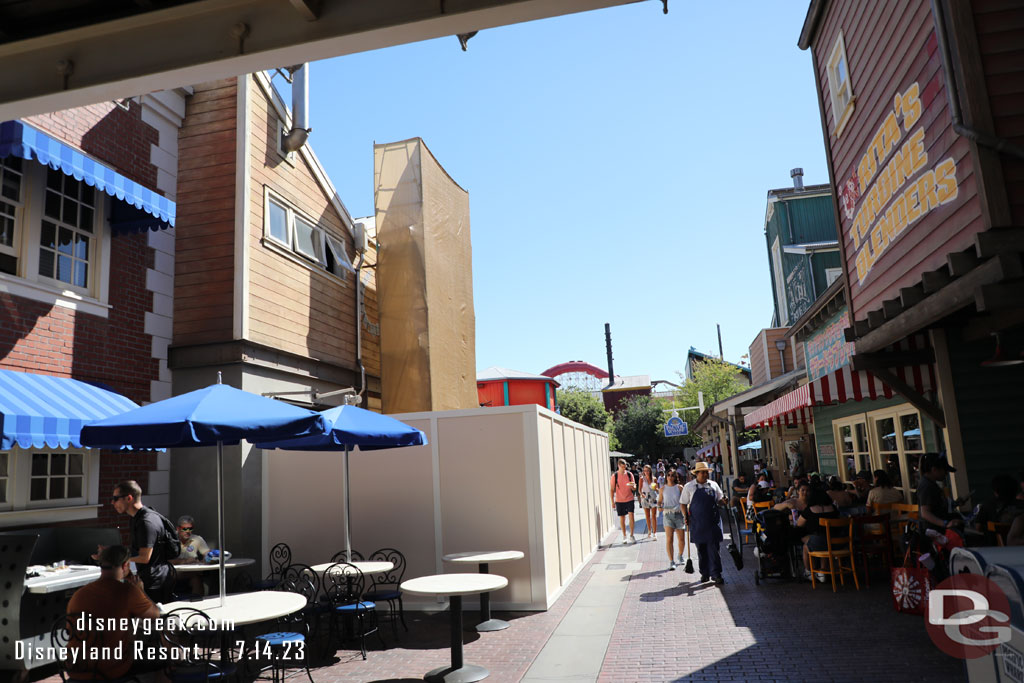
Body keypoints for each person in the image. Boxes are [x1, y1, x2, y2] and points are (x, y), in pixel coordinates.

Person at [66, 545, 162, 680]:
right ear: (125, 565)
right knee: (164, 658)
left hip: (76, 666)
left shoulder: (79, 594)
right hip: (110, 668)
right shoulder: (128, 591)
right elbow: (155, 615)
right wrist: (140, 590)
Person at [96, 480, 174, 602]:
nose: (112, 502)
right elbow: (137, 551)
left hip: (154, 583)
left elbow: (144, 557)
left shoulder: (146, 521)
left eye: (116, 498)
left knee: (152, 620)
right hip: (147, 579)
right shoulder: (136, 518)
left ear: (129, 498)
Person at [681, 461, 727, 585]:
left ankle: (716, 574)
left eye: (707, 472)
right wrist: (685, 516)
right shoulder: (689, 487)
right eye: (703, 472)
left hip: (712, 522)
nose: (706, 474)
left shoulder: (713, 485)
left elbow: (719, 501)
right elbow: (683, 503)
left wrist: (724, 502)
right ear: (697, 474)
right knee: (701, 549)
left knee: (714, 549)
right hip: (697, 523)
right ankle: (704, 574)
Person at [795, 481, 841, 580]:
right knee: (824, 539)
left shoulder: (810, 510)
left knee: (806, 546)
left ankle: (809, 572)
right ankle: (822, 570)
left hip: (821, 542)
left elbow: (799, 524)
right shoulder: (833, 508)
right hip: (838, 543)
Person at [916, 453, 963, 534]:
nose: (946, 474)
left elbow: (937, 507)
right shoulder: (927, 486)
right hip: (933, 533)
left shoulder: (931, 484)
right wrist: (945, 524)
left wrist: (955, 504)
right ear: (934, 470)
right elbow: (925, 513)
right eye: (944, 471)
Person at [172, 515, 211, 595]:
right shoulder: (171, 539)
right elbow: (165, 560)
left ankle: (198, 602)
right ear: (178, 529)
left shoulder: (197, 539)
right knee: (195, 575)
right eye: (185, 529)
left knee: (197, 578)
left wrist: (206, 559)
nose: (188, 531)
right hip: (172, 573)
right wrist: (184, 561)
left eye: (190, 528)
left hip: (190, 573)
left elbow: (207, 554)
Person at [658, 469, 686, 570]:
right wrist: (659, 506)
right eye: (668, 475)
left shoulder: (679, 488)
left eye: (672, 475)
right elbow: (660, 501)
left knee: (681, 539)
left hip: (679, 515)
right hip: (667, 515)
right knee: (669, 539)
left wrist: (685, 511)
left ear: (675, 477)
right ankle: (671, 561)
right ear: (666, 476)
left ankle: (680, 555)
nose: (670, 477)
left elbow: (685, 500)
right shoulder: (662, 489)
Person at [610, 459, 637, 545]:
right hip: (619, 499)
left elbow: (634, 487)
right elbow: (611, 489)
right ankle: (624, 536)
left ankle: (632, 535)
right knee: (622, 518)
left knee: (631, 516)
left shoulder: (629, 474)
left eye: (625, 466)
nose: (624, 468)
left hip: (629, 498)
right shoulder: (615, 476)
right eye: (622, 467)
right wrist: (612, 502)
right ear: (619, 466)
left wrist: (633, 486)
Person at [638, 465, 659, 541]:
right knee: (647, 516)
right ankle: (649, 530)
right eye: (645, 470)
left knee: (654, 515)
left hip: (653, 497)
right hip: (645, 497)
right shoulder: (641, 479)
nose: (646, 472)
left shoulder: (654, 479)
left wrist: (656, 488)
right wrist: (641, 494)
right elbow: (639, 489)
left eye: (647, 470)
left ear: (650, 471)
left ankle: (655, 532)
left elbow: (657, 489)